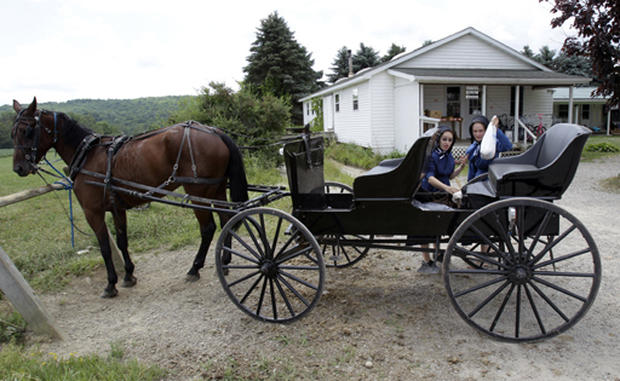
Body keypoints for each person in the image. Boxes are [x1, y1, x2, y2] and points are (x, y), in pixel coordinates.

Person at [417, 126, 466, 274]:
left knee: (439, 225)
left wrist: (460, 169)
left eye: (450, 140)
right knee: (426, 228)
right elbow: (430, 178)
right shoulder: (432, 156)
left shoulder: (449, 156)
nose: (447, 142)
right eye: (444, 139)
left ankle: (437, 252)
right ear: (439, 140)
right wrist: (447, 188)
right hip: (429, 193)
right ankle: (426, 261)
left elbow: (449, 176)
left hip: (442, 193)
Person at [465, 115, 513, 181]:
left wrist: (495, 129)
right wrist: (469, 185)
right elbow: (471, 170)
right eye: (475, 131)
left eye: (480, 131)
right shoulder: (473, 149)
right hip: (479, 181)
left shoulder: (494, 144)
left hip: (493, 180)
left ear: (486, 130)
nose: (477, 134)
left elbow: (508, 146)